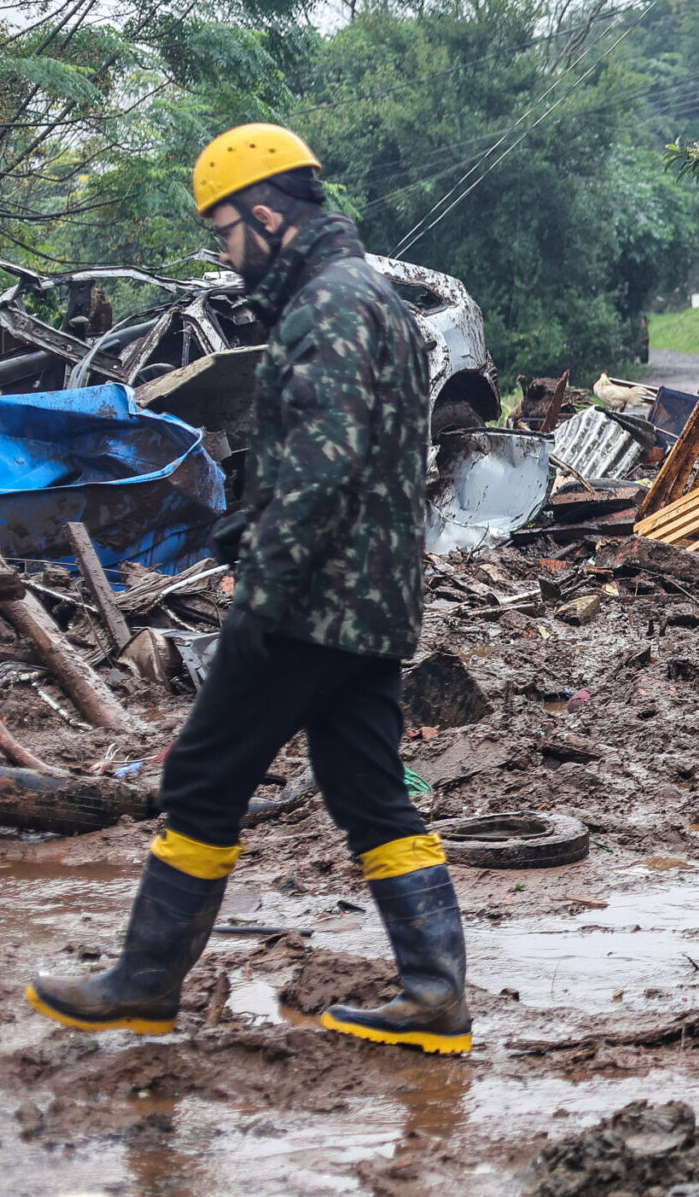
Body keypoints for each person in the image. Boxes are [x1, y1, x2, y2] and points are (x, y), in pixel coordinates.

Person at [26, 125, 471, 1055]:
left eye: (226, 232)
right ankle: (434, 995)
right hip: (373, 603)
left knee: (201, 779)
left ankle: (143, 983)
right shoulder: (376, 301)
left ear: (267, 214)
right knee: (370, 794)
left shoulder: (328, 306)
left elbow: (325, 466)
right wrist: (255, 510)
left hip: (306, 602)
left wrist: (259, 577)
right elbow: (355, 453)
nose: (228, 256)